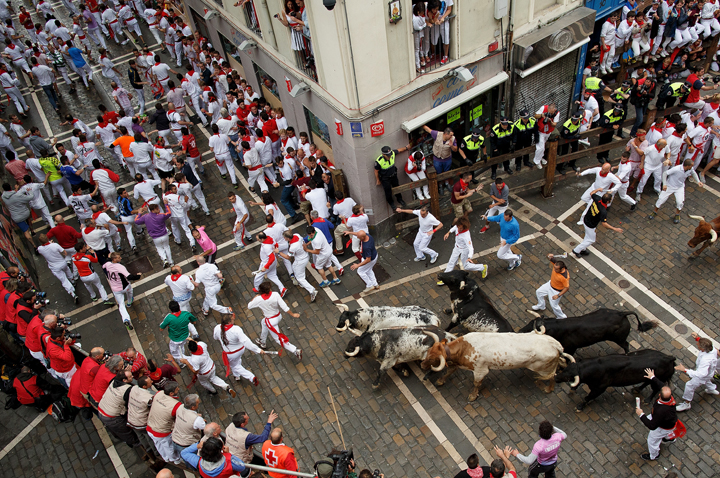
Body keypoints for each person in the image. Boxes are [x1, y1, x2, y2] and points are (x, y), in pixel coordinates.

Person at [248, 281, 302, 360]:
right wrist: (293, 314)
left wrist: (255, 297)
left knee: (278, 339)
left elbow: (249, 306)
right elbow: (285, 307)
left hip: (270, 321)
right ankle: (262, 341)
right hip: (278, 316)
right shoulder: (275, 294)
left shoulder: (259, 299)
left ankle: (295, 350)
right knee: (263, 322)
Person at [636, 368, 678, 461]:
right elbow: (662, 386)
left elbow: (652, 426)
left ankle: (654, 455)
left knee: (652, 441)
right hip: (669, 423)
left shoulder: (661, 411)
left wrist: (641, 414)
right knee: (664, 430)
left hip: (662, 427)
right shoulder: (670, 399)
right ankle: (669, 438)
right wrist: (653, 377)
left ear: (659, 395)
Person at [213, 313, 264, 385]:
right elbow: (246, 342)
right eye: (232, 320)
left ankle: (251, 377)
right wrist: (257, 350)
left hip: (231, 353)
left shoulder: (217, 328)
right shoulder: (236, 329)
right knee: (237, 361)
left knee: (235, 366)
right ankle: (237, 376)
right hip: (240, 350)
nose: (234, 320)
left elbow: (215, 337)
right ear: (229, 322)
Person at [649, 159, 704, 223]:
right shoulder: (676, 169)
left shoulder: (690, 169)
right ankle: (655, 211)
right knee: (661, 199)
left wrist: (698, 181)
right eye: (691, 165)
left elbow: (694, 173)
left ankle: (677, 214)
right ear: (687, 165)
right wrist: (664, 184)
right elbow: (665, 173)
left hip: (680, 187)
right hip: (670, 186)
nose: (692, 167)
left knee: (680, 202)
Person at [572, 188, 623, 258]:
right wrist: (615, 229)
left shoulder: (597, 198)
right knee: (591, 240)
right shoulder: (603, 211)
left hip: (586, 218)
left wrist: (598, 189)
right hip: (590, 225)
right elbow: (604, 224)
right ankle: (576, 250)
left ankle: (583, 249)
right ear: (608, 202)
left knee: (587, 236)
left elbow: (591, 193)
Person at [98, 370, 142, 449]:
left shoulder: (114, 381)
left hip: (102, 409)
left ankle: (123, 439)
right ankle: (136, 444)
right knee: (126, 431)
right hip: (111, 417)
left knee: (116, 431)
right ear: (124, 380)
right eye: (130, 376)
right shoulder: (127, 389)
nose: (132, 377)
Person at [674, 335, 719, 411]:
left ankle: (687, 404)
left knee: (689, 385)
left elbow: (701, 374)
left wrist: (685, 370)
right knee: (707, 380)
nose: (696, 344)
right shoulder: (712, 348)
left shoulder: (706, 360)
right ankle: (711, 389)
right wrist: (697, 338)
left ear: (703, 349)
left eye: (698, 345)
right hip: (709, 373)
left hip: (702, 376)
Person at [147, 381, 183, 465]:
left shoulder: (159, 393)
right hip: (162, 432)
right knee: (169, 447)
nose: (178, 390)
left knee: (158, 444)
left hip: (150, 426)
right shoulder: (176, 405)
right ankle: (176, 459)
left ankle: (165, 458)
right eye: (177, 389)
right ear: (171, 393)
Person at [103, 252, 141, 330]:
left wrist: (108, 258)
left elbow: (104, 265)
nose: (120, 258)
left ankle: (126, 319)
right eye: (118, 257)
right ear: (114, 259)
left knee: (121, 305)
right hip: (124, 286)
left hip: (115, 289)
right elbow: (129, 276)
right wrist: (138, 275)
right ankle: (130, 302)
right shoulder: (120, 267)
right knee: (130, 292)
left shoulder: (107, 264)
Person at [277, 230, 318, 302]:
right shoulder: (297, 235)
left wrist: (279, 252)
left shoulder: (293, 247)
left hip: (301, 260)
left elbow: (287, 257)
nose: (284, 238)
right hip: (303, 256)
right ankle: (302, 281)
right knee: (294, 267)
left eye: (285, 237)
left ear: (287, 238)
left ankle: (312, 290)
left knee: (300, 278)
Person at [37, 233, 77, 301]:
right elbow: (65, 253)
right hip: (62, 263)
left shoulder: (40, 249)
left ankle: (72, 293)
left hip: (54, 267)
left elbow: (45, 248)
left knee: (63, 280)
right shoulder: (55, 245)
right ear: (47, 238)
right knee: (67, 271)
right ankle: (72, 281)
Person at [181, 437, 247, 477]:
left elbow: (184, 453)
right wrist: (228, 454)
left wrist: (197, 446)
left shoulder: (198, 462)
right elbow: (242, 467)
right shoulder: (229, 461)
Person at [135, 203, 174, 268]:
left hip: (155, 237)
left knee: (159, 248)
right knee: (166, 247)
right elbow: (169, 213)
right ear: (152, 210)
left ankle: (164, 259)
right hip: (164, 235)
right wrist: (166, 204)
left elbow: (136, 221)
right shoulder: (161, 216)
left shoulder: (146, 217)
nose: (158, 210)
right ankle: (171, 262)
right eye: (157, 209)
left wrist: (139, 213)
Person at [171, 394, 206, 460]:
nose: (198, 404)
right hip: (187, 444)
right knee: (194, 460)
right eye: (197, 403)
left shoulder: (180, 407)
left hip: (175, 439)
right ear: (193, 407)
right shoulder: (196, 419)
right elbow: (204, 427)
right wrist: (199, 419)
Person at [636, 139, 671, 203]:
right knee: (643, 180)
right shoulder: (650, 148)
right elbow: (643, 155)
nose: (666, 145)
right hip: (648, 166)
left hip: (658, 165)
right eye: (664, 144)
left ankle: (657, 189)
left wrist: (668, 159)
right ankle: (638, 192)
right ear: (660, 145)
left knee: (658, 178)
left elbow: (668, 152)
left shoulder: (665, 147)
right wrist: (642, 163)